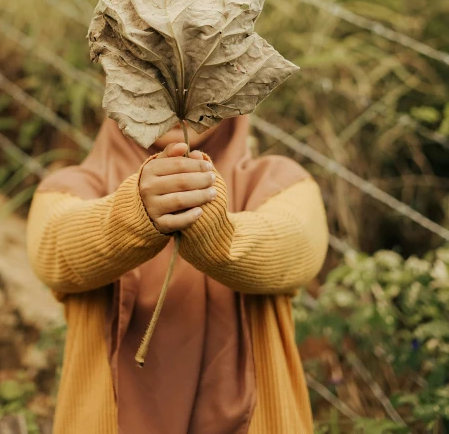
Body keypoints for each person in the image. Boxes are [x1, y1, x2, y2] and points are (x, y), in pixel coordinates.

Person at [27, 114, 329, 433]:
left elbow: (297, 245)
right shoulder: (71, 188)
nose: (175, 107)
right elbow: (54, 248)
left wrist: (215, 231)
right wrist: (134, 213)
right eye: (155, 79)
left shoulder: (279, 181)